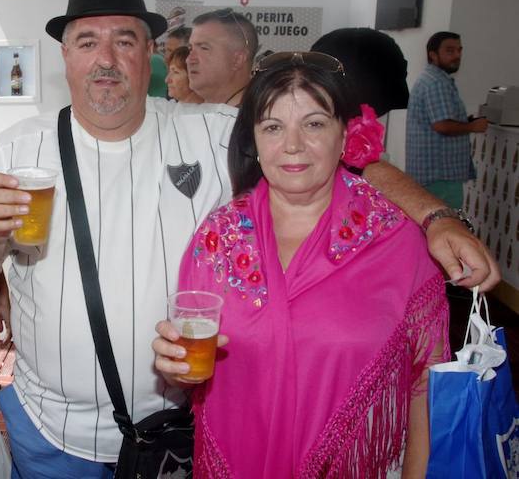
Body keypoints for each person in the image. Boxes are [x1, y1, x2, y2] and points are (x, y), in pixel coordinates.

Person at [0, 0, 495, 478]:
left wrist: (435, 216)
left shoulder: (210, 131)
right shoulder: (18, 152)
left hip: (179, 437)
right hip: (52, 438)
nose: (106, 58)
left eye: (125, 40)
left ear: (152, 54)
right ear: (65, 55)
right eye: (88, 41)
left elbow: (337, 154)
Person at [153, 52, 451, 478]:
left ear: (346, 136)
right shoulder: (217, 238)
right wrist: (175, 370)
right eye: (273, 127)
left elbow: (429, 386)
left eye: (314, 124)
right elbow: (196, 372)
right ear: (253, 141)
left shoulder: (398, 242)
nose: (292, 145)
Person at [406, 31, 487, 209]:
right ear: (433, 55)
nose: (457, 55)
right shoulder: (436, 83)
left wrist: (464, 121)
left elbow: (440, 120)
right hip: (439, 176)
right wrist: (473, 126)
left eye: (459, 50)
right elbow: (442, 125)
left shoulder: (433, 79)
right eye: (450, 51)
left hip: (433, 175)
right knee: (446, 226)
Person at [186, 8, 259, 106]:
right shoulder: (186, 112)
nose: (189, 60)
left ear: (238, 60)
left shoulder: (260, 117)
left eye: (204, 48)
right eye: (190, 49)